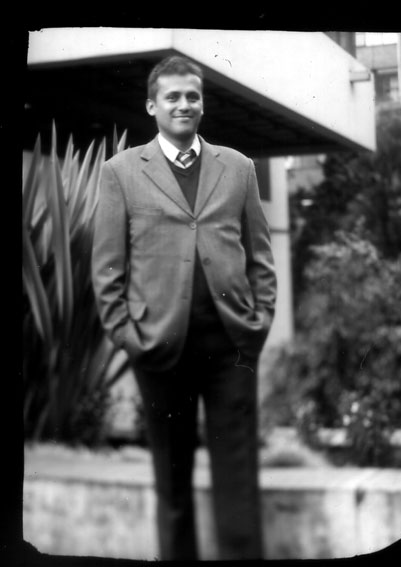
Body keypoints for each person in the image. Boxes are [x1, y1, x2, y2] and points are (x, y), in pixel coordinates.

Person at [91, 55, 277, 561]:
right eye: (172, 96)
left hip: (230, 345)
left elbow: (260, 256)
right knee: (172, 486)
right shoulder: (121, 172)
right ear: (152, 106)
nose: (184, 104)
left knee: (238, 485)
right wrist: (129, 337)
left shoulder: (238, 167)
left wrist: (258, 324)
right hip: (159, 347)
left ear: (202, 103)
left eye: (192, 95)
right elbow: (107, 269)